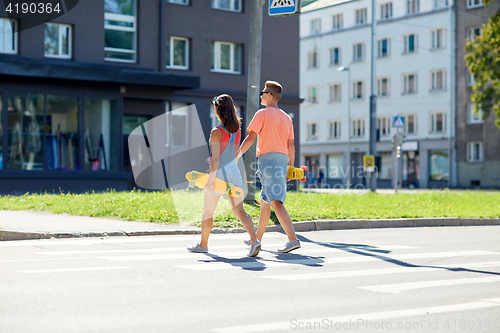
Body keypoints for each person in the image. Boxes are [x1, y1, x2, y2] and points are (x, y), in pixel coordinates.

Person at [187, 94, 261, 257]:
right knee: (240, 211)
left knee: (208, 212)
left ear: (218, 110)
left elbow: (216, 159)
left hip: (219, 174)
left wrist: (211, 181)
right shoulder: (237, 130)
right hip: (234, 172)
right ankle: (255, 241)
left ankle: (203, 245)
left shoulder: (216, 132)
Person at [236, 81, 300, 253]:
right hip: (282, 160)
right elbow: (291, 146)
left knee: (275, 201)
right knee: (266, 201)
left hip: (268, 161)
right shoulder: (287, 118)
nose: (261, 95)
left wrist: (236, 155)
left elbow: (250, 138)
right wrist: (291, 167)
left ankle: (293, 239)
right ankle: (256, 239)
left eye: (263, 92)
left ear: (270, 95)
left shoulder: (261, 114)